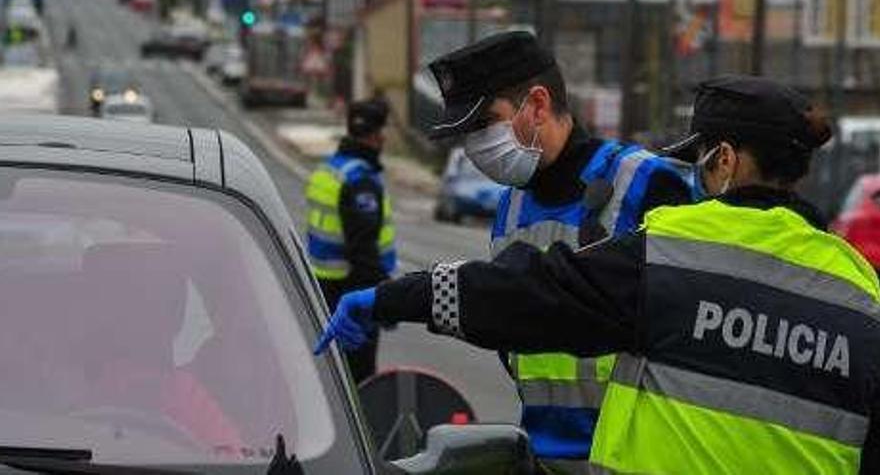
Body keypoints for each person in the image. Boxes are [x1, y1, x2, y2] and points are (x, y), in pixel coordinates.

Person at [316, 75, 880, 473]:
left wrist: (388, 300)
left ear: (726, 160)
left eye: (703, 159)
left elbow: (528, 295)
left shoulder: (671, 255)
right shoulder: (859, 291)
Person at [427, 31, 691, 470]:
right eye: (467, 133)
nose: (474, 145)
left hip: (631, 459)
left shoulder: (645, 183)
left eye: (484, 123)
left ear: (537, 104)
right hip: (544, 457)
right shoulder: (510, 206)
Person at [305, 97, 395, 384]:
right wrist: (388, 300)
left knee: (331, 377)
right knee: (359, 380)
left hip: (323, 287)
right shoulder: (360, 180)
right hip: (355, 292)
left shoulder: (329, 169)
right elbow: (363, 249)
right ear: (377, 135)